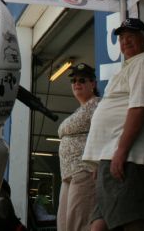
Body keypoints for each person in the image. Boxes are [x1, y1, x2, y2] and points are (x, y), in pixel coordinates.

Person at [81, 17, 144, 231]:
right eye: (121, 38)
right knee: (98, 226)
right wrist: (101, 160)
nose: (125, 41)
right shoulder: (131, 66)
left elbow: (140, 108)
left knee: (129, 222)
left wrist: (120, 151)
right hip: (112, 157)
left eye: (131, 36)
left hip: (129, 158)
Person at [57, 63, 100, 231]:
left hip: (84, 170)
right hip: (68, 173)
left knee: (78, 223)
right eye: (74, 81)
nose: (77, 84)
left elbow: (105, 134)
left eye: (82, 80)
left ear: (93, 84)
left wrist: (97, 163)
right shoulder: (79, 110)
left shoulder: (98, 105)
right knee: (63, 224)